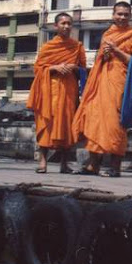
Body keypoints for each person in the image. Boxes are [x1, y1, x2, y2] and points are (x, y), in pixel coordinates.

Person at [72, 1, 132, 177]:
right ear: (113, 15)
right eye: (119, 14)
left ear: (131, 16)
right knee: (94, 119)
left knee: (115, 124)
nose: (122, 17)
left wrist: (116, 51)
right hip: (101, 81)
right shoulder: (108, 33)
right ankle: (93, 166)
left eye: (125, 14)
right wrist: (105, 55)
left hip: (120, 83)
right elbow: (100, 59)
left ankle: (115, 167)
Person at [27, 13, 86, 174]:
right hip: (50, 90)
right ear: (56, 26)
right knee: (46, 123)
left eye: (69, 24)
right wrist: (54, 68)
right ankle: (43, 162)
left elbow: (83, 69)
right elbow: (38, 69)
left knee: (67, 125)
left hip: (69, 90)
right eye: (63, 23)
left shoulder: (77, 46)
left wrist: (74, 68)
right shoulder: (47, 47)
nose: (66, 26)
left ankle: (64, 164)